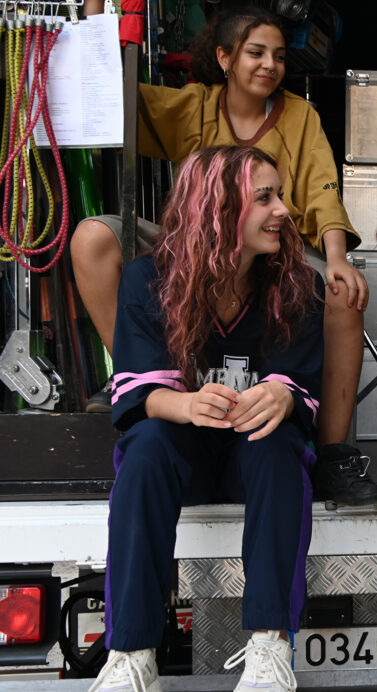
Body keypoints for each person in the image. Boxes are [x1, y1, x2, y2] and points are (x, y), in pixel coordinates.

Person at [73, 3, 377, 505]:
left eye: (279, 56)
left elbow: (324, 192)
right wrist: (93, 24)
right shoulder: (193, 105)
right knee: (93, 237)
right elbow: (115, 97)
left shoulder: (300, 115)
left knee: (342, 294)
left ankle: (334, 455)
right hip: (192, 247)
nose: (269, 65)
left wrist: (338, 256)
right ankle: (142, 377)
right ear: (223, 57)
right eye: (255, 52)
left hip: (277, 251)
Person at [89, 146, 320, 692]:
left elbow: (300, 388)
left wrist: (281, 398)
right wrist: (190, 403)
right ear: (216, 207)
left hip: (251, 458)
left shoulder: (296, 285)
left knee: (277, 444)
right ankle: (131, 654)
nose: (283, 210)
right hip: (183, 452)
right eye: (264, 197)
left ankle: (270, 646)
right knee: (144, 451)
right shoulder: (148, 278)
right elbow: (138, 393)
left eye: (279, 195)